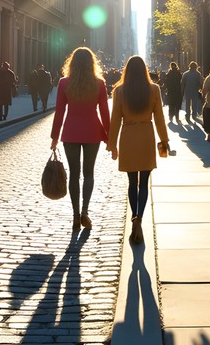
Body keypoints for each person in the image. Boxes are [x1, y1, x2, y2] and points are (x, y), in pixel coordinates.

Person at [107, 55, 169, 245]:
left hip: (128, 137)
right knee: (145, 183)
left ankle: (134, 215)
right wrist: (164, 140)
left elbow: (115, 120)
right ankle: (139, 218)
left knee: (132, 182)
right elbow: (159, 118)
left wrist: (112, 145)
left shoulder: (119, 91)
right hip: (146, 137)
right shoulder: (154, 89)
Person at [50, 47, 110, 231]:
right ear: (92, 64)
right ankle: (85, 211)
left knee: (74, 174)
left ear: (72, 63)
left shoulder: (64, 83)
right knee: (89, 173)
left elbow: (59, 112)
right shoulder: (99, 83)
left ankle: (75, 215)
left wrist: (54, 137)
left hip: (71, 132)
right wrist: (110, 136)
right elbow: (104, 113)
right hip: (92, 132)